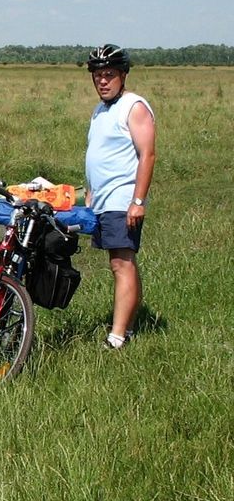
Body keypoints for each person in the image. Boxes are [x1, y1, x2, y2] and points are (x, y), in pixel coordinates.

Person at [83, 44, 156, 349]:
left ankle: (117, 336)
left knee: (121, 264)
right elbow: (99, 154)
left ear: (123, 75)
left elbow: (148, 155)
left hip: (122, 199)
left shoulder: (134, 106)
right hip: (102, 200)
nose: (102, 80)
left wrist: (137, 202)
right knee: (122, 263)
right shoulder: (101, 110)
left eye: (109, 74)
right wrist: (89, 192)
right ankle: (129, 324)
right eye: (98, 75)